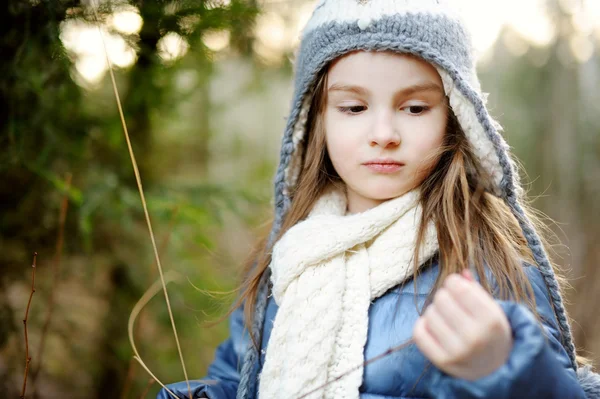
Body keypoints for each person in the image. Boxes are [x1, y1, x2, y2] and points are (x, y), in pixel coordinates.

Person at [158, 0, 600, 398]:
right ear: (317, 122)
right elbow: (242, 380)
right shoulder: (288, 256)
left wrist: (509, 369)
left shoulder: (491, 271)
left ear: (455, 118)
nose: (384, 135)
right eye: (354, 108)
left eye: (414, 108)